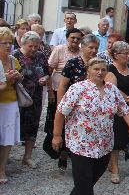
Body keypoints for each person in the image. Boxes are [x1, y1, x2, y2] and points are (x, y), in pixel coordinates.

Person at [53, 57, 129, 195]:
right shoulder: (78, 89)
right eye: (96, 69)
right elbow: (61, 112)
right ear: (88, 71)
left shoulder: (112, 90)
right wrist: (56, 135)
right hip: (80, 142)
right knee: (84, 176)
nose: (100, 72)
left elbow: (123, 109)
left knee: (97, 171)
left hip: (104, 142)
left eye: (103, 69)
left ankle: (77, 193)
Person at [104, 41, 129, 184]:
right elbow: (113, 88)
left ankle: (111, 163)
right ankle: (114, 168)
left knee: (127, 137)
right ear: (116, 55)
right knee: (116, 139)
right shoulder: (110, 70)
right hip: (116, 109)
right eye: (125, 53)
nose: (128, 56)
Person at [48, 28, 83, 171]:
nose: (75, 41)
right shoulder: (59, 49)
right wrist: (50, 91)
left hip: (77, 96)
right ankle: (59, 151)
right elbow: (49, 70)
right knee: (59, 122)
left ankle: (70, 153)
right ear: (67, 38)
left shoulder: (83, 53)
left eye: (78, 39)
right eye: (72, 38)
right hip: (59, 90)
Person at [14, 32, 49, 168]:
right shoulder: (15, 55)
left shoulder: (40, 56)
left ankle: (27, 157)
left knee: (33, 125)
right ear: (23, 44)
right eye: (31, 46)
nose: (34, 49)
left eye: (36, 46)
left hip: (36, 96)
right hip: (19, 96)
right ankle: (7, 156)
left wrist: (45, 78)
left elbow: (47, 73)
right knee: (15, 125)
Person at [0, 27, 19, 184]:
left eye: (10, 43)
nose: (7, 46)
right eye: (3, 43)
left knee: (7, 137)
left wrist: (18, 76)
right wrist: (4, 78)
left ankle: (2, 169)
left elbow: (21, 79)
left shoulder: (13, 60)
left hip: (10, 101)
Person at [57, 35, 100, 102]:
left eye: (96, 48)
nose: (94, 51)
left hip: (94, 103)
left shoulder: (100, 64)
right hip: (74, 102)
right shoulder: (72, 63)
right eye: (91, 48)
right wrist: (59, 106)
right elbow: (62, 86)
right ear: (82, 47)